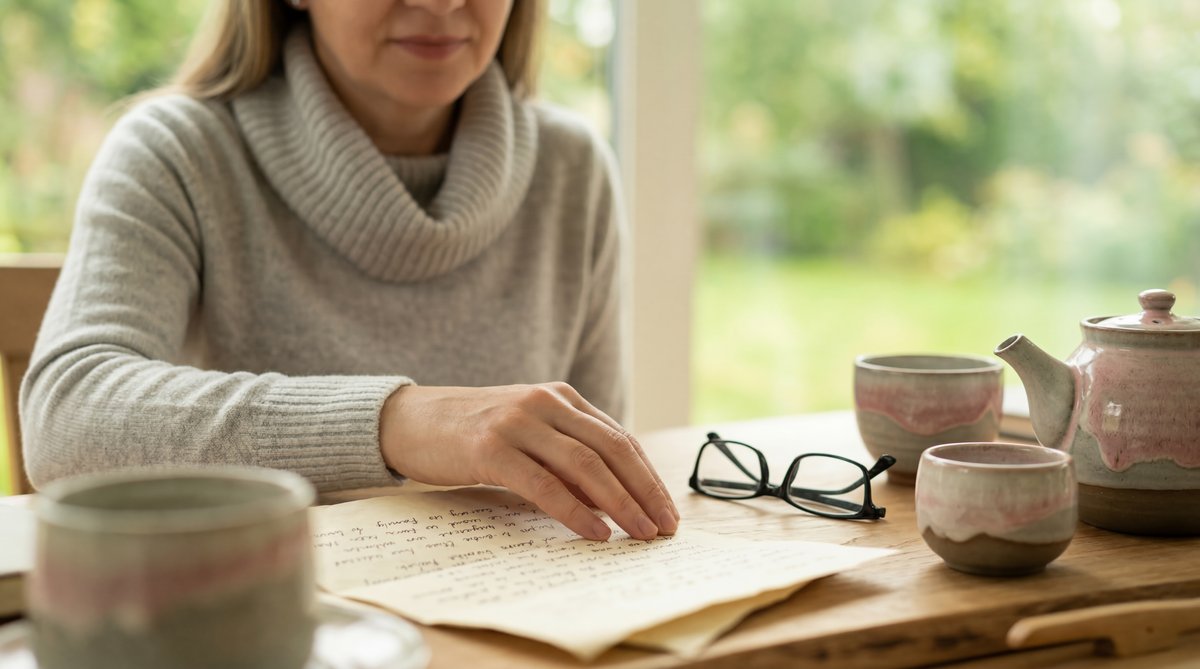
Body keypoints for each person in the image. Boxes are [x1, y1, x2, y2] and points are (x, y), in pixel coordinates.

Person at [19, 0, 679, 542]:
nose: (442, 4)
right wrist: (398, 422)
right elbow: (66, 414)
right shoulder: (176, 152)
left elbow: (595, 476)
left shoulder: (573, 169)